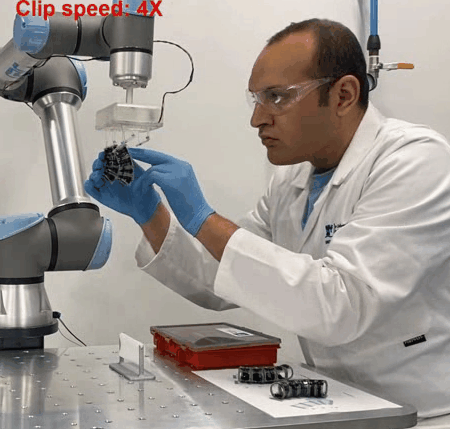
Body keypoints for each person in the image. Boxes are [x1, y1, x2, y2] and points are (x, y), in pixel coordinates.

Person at [85, 19, 450, 426]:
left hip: (421, 413)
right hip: (339, 404)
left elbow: (341, 304)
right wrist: (150, 213)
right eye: (256, 99)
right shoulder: (292, 179)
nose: (257, 118)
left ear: (344, 94)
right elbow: (223, 277)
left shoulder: (415, 160)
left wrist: (204, 219)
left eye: (277, 97)